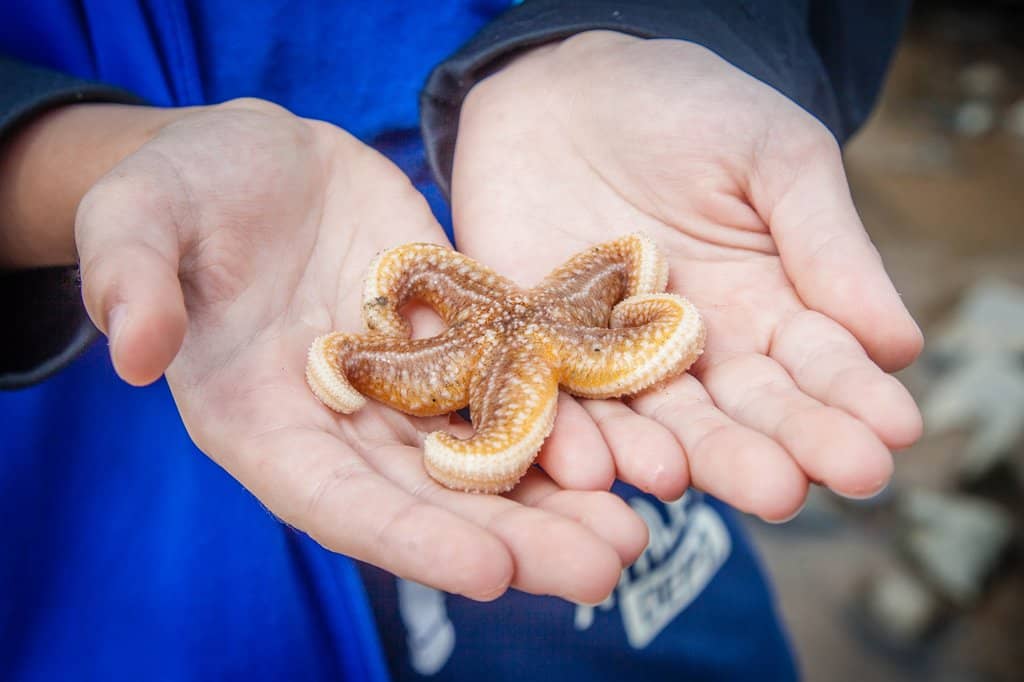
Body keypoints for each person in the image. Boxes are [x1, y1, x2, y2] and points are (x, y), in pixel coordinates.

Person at [0, 1, 923, 679]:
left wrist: (668, 24)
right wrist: (69, 163)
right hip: (96, 516)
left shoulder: (537, 312)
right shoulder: (496, 319)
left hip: (596, 503)